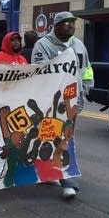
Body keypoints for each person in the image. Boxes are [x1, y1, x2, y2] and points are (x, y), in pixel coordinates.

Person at [31, 11, 94, 200]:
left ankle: (69, 182)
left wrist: (86, 87)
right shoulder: (43, 45)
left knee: (66, 139)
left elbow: (87, 68)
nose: (71, 26)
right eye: (66, 23)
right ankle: (50, 173)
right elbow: (39, 71)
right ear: (56, 26)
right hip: (51, 102)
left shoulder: (79, 45)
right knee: (48, 138)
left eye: (73, 23)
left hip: (72, 102)